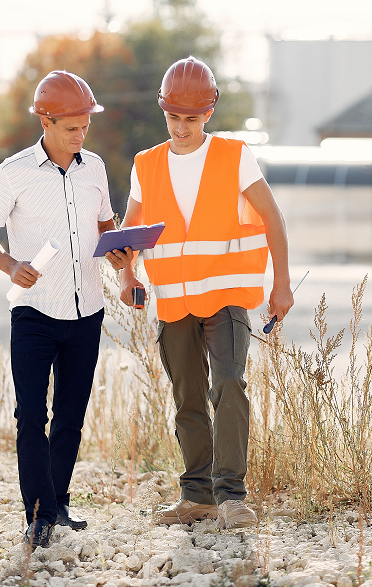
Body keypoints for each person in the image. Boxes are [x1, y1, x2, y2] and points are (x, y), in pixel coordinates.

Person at [110, 56, 293, 530]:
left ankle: (232, 496)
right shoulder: (145, 164)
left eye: (190, 119)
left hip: (228, 295)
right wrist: (127, 274)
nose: (181, 127)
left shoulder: (235, 155)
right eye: (173, 117)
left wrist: (282, 285)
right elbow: (132, 230)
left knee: (228, 382)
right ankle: (196, 497)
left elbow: (273, 218)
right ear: (164, 112)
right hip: (174, 301)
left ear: (208, 113)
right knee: (187, 395)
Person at [0, 71, 133, 547]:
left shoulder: (95, 169)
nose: (80, 134)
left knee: (70, 414)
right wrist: (9, 264)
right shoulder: (14, 171)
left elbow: (107, 228)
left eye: (85, 126)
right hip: (34, 312)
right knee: (30, 415)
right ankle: (38, 514)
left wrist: (121, 253)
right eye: (70, 127)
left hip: (87, 310)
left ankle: (58, 505)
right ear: (45, 120)